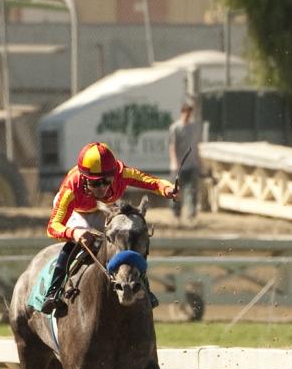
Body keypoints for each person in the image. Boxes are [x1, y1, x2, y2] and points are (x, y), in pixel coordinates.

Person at [39, 141, 178, 317]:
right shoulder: (71, 189)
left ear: (114, 175)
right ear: (84, 179)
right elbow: (53, 227)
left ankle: (144, 287)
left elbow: (152, 182)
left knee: (125, 238)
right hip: (77, 211)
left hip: (102, 208)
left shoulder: (122, 173)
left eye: (107, 181)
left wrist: (168, 189)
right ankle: (53, 292)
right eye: (96, 184)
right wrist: (75, 233)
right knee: (81, 241)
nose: (103, 187)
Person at [167, 101, 202, 222]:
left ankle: (191, 215)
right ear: (182, 113)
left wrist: (199, 161)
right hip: (179, 165)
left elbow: (196, 145)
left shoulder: (193, 127)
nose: (188, 116)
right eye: (186, 113)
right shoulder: (175, 128)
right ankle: (176, 214)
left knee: (192, 190)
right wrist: (174, 162)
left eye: (190, 113)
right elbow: (172, 146)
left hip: (191, 164)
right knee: (176, 191)